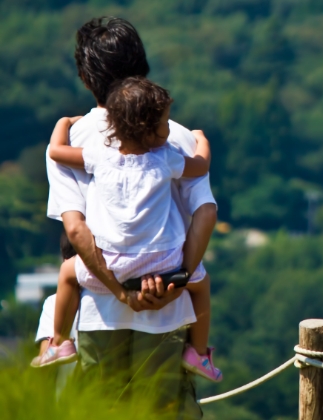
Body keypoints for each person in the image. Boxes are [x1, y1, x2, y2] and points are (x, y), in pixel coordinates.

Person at [45, 16, 218, 418]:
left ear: (86, 78)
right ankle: (201, 353)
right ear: (143, 68)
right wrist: (179, 279)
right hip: (168, 309)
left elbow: (76, 229)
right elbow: (204, 214)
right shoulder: (176, 136)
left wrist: (122, 292)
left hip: (100, 310)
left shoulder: (74, 139)